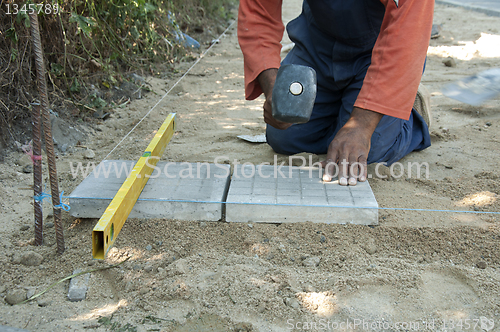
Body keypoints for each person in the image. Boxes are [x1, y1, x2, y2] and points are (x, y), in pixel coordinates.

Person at [237, 0, 434, 185]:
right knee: (285, 137)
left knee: (368, 151)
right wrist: (273, 87)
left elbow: (408, 32)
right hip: (316, 45)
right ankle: (346, 110)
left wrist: (361, 126)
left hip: (380, 51)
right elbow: (257, 14)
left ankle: (406, 109)